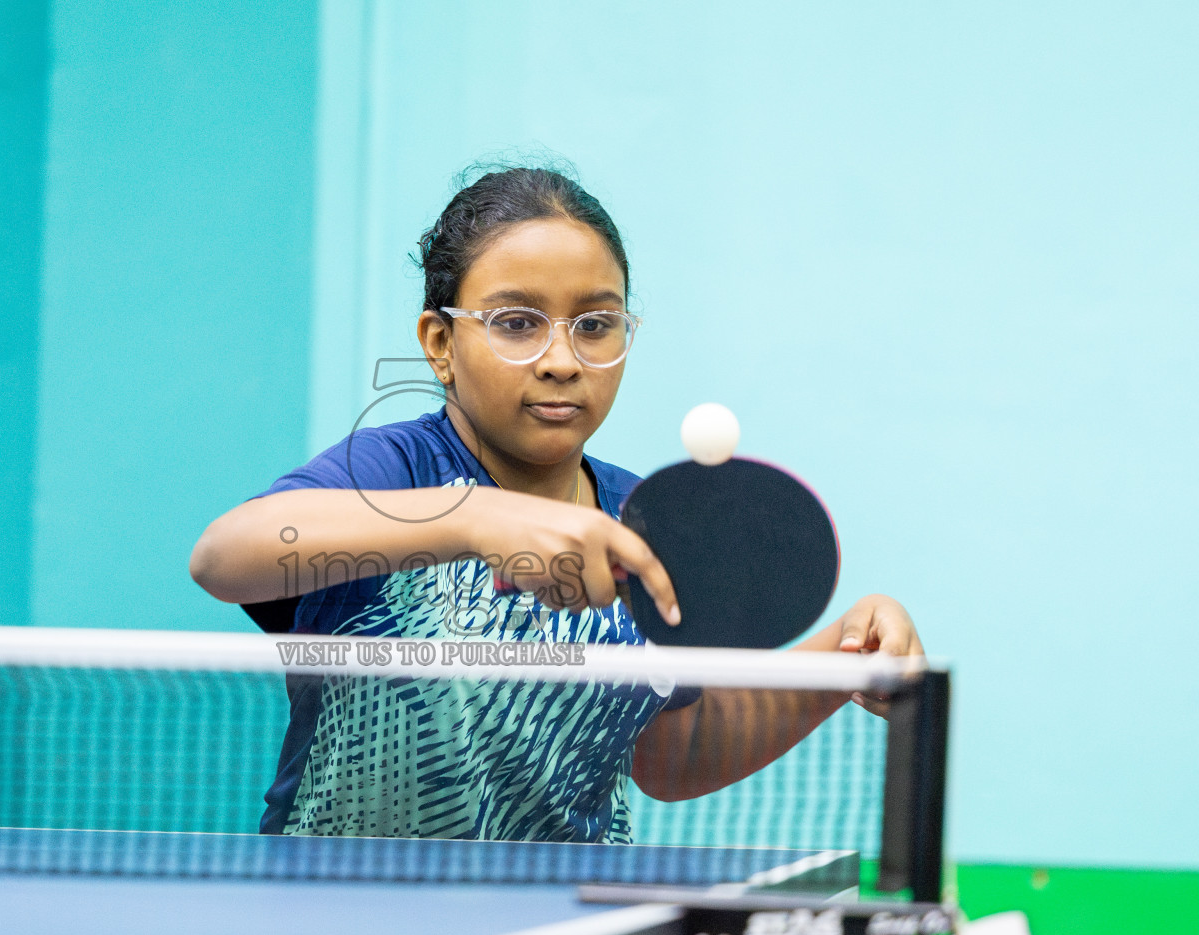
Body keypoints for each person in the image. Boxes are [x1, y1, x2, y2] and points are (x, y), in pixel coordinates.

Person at [190, 165, 923, 843]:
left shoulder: (645, 520)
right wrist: (473, 519)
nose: (563, 361)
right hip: (345, 903)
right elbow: (225, 556)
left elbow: (675, 755)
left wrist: (843, 658)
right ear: (440, 343)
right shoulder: (397, 469)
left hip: (564, 906)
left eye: (595, 325)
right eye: (517, 324)